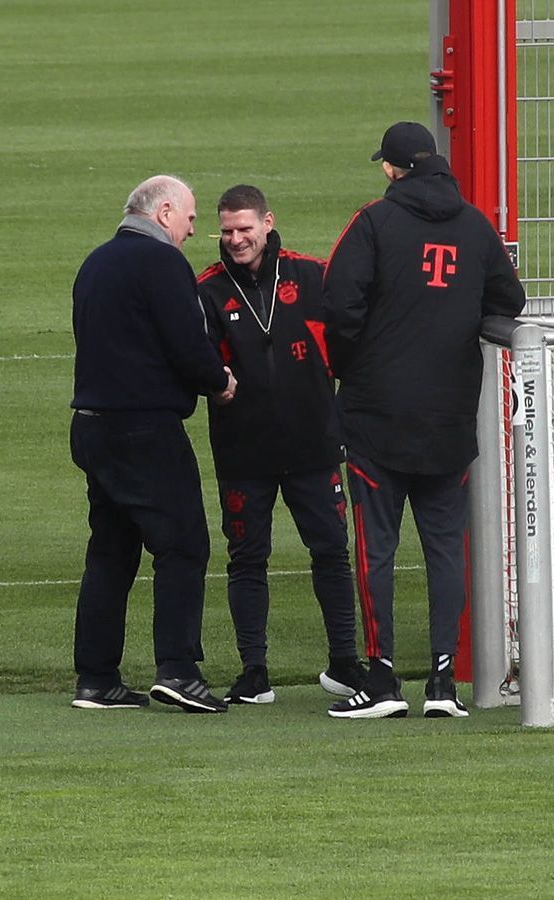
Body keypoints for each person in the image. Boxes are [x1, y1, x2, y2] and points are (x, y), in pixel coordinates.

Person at [323, 122, 527, 719]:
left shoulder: (374, 223)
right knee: (445, 550)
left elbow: (338, 306)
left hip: (376, 417)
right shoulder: (474, 224)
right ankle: (443, 683)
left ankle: (382, 679)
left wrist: (355, 366)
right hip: (449, 417)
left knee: (375, 550)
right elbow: (508, 303)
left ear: (391, 169)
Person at [68, 174, 238, 714]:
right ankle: (179, 670)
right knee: (183, 544)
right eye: (189, 219)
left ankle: (96, 677)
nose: (193, 231)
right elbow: (188, 345)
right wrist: (220, 381)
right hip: (144, 428)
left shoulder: (95, 262)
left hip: (93, 425)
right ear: (164, 212)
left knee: (111, 551)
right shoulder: (162, 263)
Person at [195, 185, 367, 705]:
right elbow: (198, 361)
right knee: (247, 557)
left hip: (313, 445)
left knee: (331, 552)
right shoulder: (208, 289)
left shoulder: (311, 275)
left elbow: (349, 340)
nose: (236, 239)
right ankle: (254, 671)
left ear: (268, 222)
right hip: (242, 451)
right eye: (226, 231)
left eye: (245, 228)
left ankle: (344, 662)